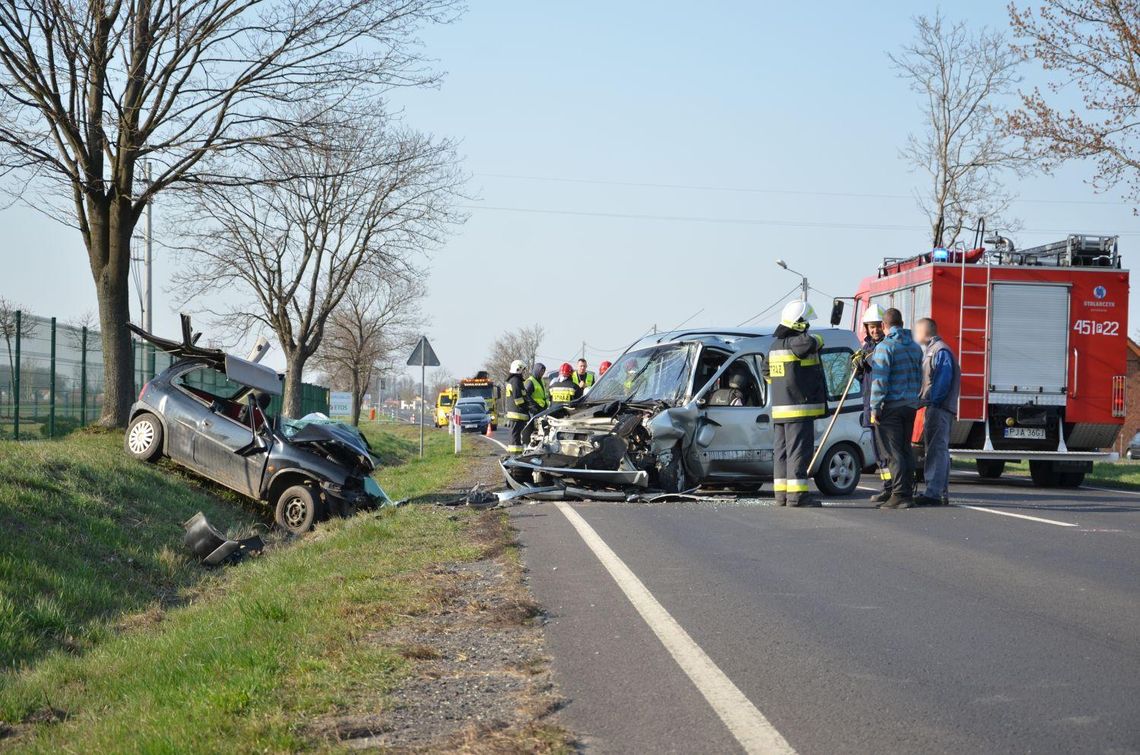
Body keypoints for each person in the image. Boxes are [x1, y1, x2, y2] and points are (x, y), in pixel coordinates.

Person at [763, 300, 827, 507]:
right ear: (799, 323)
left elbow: (767, 373)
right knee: (798, 452)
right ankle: (798, 496)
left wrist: (783, 386)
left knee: (782, 453)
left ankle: (781, 495)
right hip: (798, 408)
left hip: (781, 410)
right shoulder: (800, 341)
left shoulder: (774, 346)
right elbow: (813, 342)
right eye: (806, 322)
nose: (808, 326)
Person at [869, 307, 924, 509]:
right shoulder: (916, 348)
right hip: (910, 406)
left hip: (891, 406)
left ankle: (899, 494)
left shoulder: (885, 347)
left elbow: (879, 380)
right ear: (901, 324)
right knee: (905, 449)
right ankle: (906, 493)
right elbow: (920, 378)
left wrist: (874, 407)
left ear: (884, 326)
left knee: (893, 452)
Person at [914, 317, 960, 506]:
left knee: (936, 449)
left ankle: (934, 493)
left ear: (925, 331)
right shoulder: (935, 350)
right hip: (937, 406)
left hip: (939, 408)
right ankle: (938, 492)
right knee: (937, 449)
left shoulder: (939, 351)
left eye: (917, 331)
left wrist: (932, 401)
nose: (915, 335)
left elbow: (942, 381)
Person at [851, 304, 892, 502]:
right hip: (869, 404)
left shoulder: (887, 346)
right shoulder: (866, 347)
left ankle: (892, 486)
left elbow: (879, 366)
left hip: (883, 406)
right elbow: (863, 377)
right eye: (871, 327)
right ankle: (887, 485)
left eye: (877, 326)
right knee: (877, 449)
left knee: (886, 448)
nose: (874, 330)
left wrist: (865, 361)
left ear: (884, 326)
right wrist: (856, 368)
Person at [503, 360, 529, 454]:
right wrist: (527, 407)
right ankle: (515, 456)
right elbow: (518, 399)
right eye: (523, 370)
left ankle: (515, 455)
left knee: (516, 437)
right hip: (518, 414)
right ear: (518, 369)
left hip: (517, 414)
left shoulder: (514, 380)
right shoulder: (515, 381)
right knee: (515, 437)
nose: (524, 372)